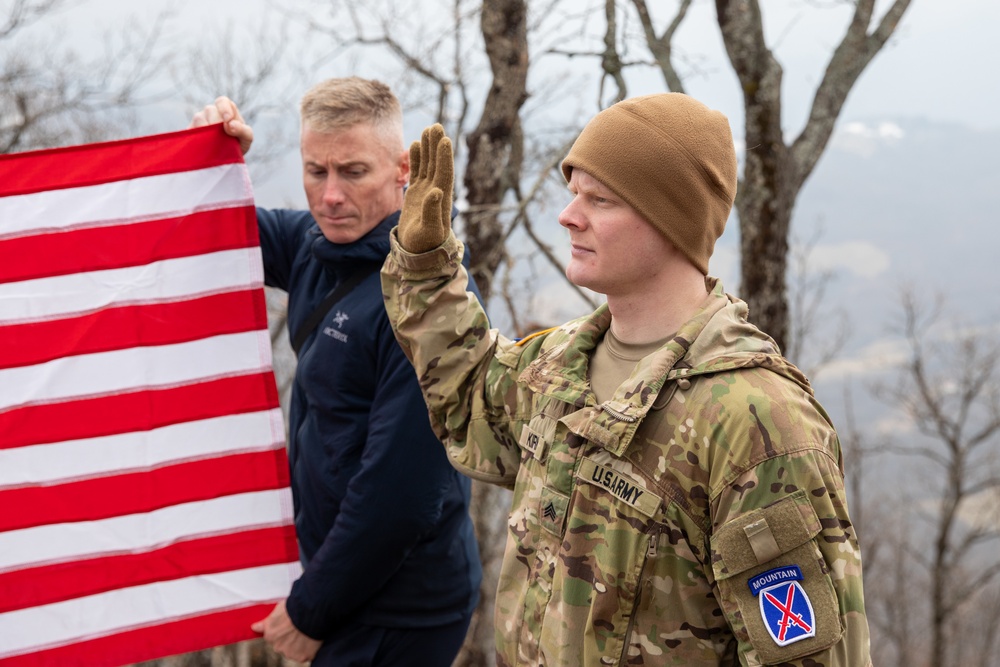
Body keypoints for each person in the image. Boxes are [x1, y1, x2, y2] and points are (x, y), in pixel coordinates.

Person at [381, 94, 870, 666]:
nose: (569, 215)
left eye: (600, 199)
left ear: (670, 222)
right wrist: (425, 265)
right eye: (573, 194)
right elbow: (473, 401)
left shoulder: (753, 422)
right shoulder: (561, 364)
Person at [190, 77, 482, 666]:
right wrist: (209, 159)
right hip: (345, 584)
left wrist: (309, 610)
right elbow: (215, 228)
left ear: (404, 169)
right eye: (315, 171)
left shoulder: (425, 308)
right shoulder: (314, 244)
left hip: (400, 609)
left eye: (352, 172)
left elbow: (398, 496)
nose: (328, 196)